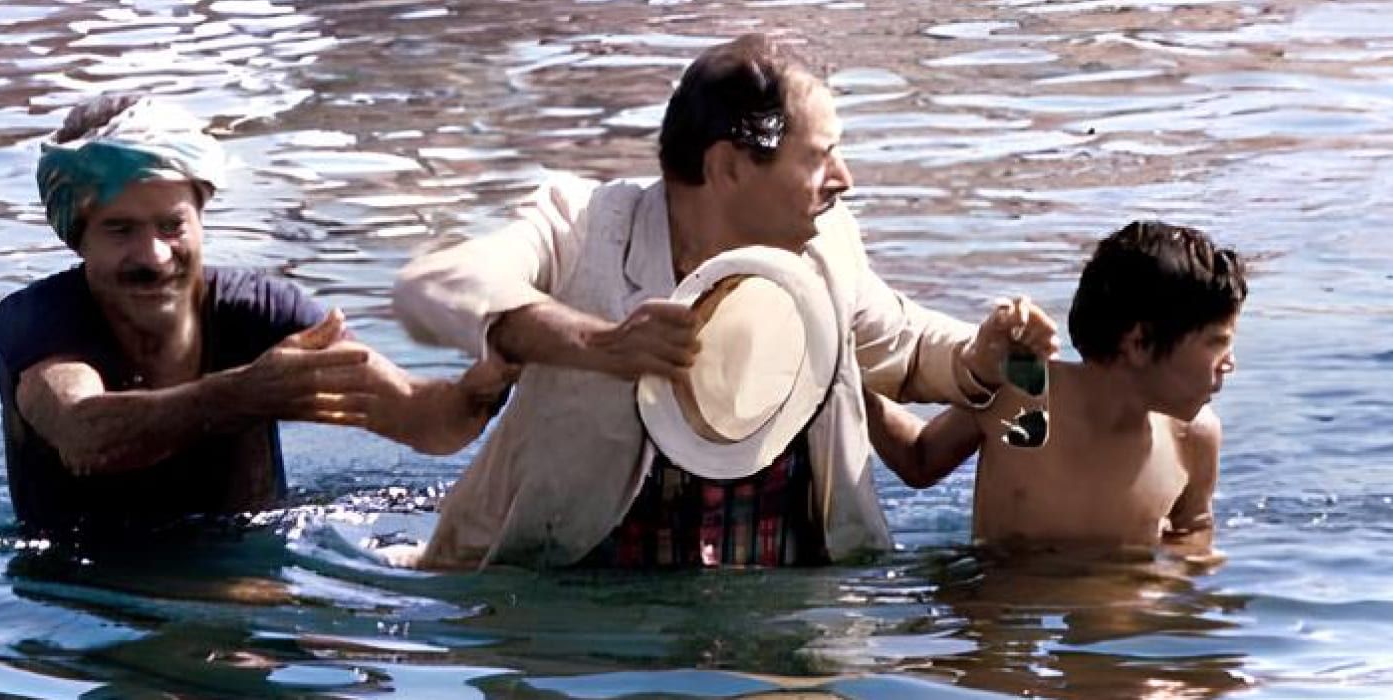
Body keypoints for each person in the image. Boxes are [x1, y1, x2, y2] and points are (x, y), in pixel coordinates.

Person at [393, 34, 1057, 569]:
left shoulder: (828, 248)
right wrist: (599, 344)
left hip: (782, 626)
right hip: (575, 630)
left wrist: (978, 355)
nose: (845, 180)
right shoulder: (586, 229)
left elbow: (906, 350)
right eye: (821, 157)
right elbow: (436, 283)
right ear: (729, 166)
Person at [0, 93, 512, 537]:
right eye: (120, 230)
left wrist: (497, 371)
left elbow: (428, 423)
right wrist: (248, 392)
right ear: (77, 235)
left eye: (172, 226)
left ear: (200, 217)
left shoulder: (261, 311)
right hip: (84, 579)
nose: (154, 256)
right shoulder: (39, 320)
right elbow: (85, 437)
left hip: (245, 550)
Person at [865, 221, 1246, 558]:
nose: (1229, 363)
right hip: (1004, 603)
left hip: (1117, 613)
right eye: (1217, 342)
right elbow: (918, 459)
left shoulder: (1194, 437)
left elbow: (1194, 533)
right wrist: (852, 386)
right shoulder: (1021, 398)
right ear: (1139, 343)